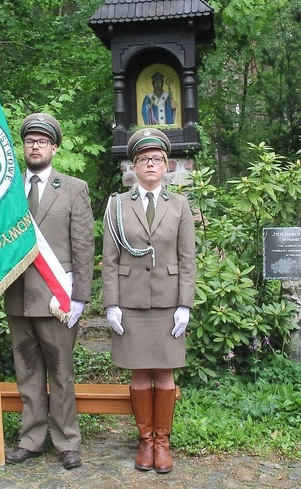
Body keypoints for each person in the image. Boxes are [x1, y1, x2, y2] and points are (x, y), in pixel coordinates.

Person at [3, 113, 95, 470]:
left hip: (58, 299)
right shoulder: (7, 192)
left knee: (61, 374)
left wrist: (80, 298)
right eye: (30, 140)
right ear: (23, 146)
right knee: (27, 374)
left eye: (42, 141)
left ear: (54, 147)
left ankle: (67, 441)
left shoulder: (73, 188)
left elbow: (84, 246)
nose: (35, 146)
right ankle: (31, 439)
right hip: (17, 295)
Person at [102, 128, 196, 474]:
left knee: (166, 376)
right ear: (135, 166)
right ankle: (145, 441)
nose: (150, 164)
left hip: (169, 302)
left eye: (156, 159)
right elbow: (109, 260)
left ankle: (163, 441)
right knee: (140, 375)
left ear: (167, 165)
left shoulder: (180, 205)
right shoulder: (117, 205)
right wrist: (111, 303)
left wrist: (185, 304)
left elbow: (188, 259)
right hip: (130, 303)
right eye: (143, 159)